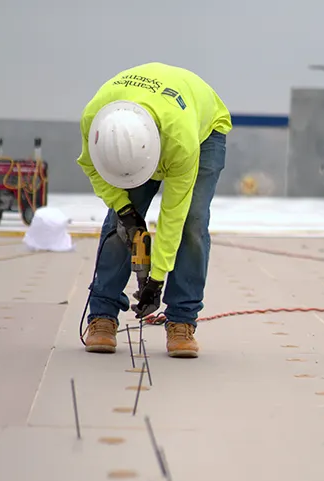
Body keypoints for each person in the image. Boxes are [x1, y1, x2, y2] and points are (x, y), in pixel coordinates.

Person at [77, 63, 231, 358]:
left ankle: (182, 320)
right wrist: (125, 211)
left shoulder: (181, 141)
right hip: (154, 121)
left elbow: (174, 214)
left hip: (203, 130)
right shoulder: (95, 121)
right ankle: (102, 315)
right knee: (120, 227)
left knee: (192, 223)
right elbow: (90, 166)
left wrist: (155, 280)